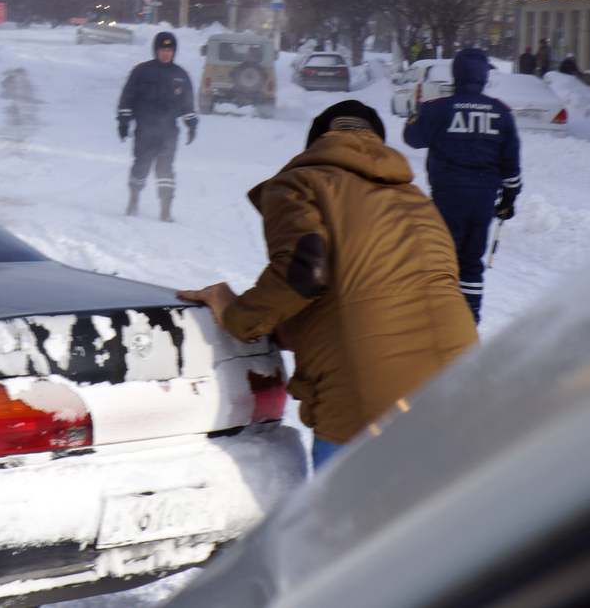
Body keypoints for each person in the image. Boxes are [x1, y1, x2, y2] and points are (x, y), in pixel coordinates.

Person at [177, 101, 477, 471]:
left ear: (316, 145)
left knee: (347, 527)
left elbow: (305, 273)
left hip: (369, 401)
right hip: (461, 385)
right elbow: (374, 287)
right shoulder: (417, 201)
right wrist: (296, 328)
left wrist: (236, 314)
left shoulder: (301, 183)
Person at [402, 47, 520, 323]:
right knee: (471, 261)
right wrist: (509, 198)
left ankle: (437, 317)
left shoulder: (439, 109)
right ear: (483, 78)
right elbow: (510, 161)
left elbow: (412, 137)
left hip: (447, 196)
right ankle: (468, 319)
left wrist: (415, 114)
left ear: (456, 75)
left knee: (441, 255)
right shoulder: (501, 113)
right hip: (483, 198)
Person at [116, 31, 197, 221]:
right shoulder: (141, 72)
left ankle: (165, 211)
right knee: (141, 168)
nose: (166, 53)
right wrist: (123, 123)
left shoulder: (181, 75)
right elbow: (127, 98)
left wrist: (192, 125)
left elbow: (188, 105)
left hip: (168, 132)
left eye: (169, 49)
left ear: (174, 51)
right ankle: (134, 200)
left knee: (165, 170)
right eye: (162, 49)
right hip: (144, 130)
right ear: (156, 50)